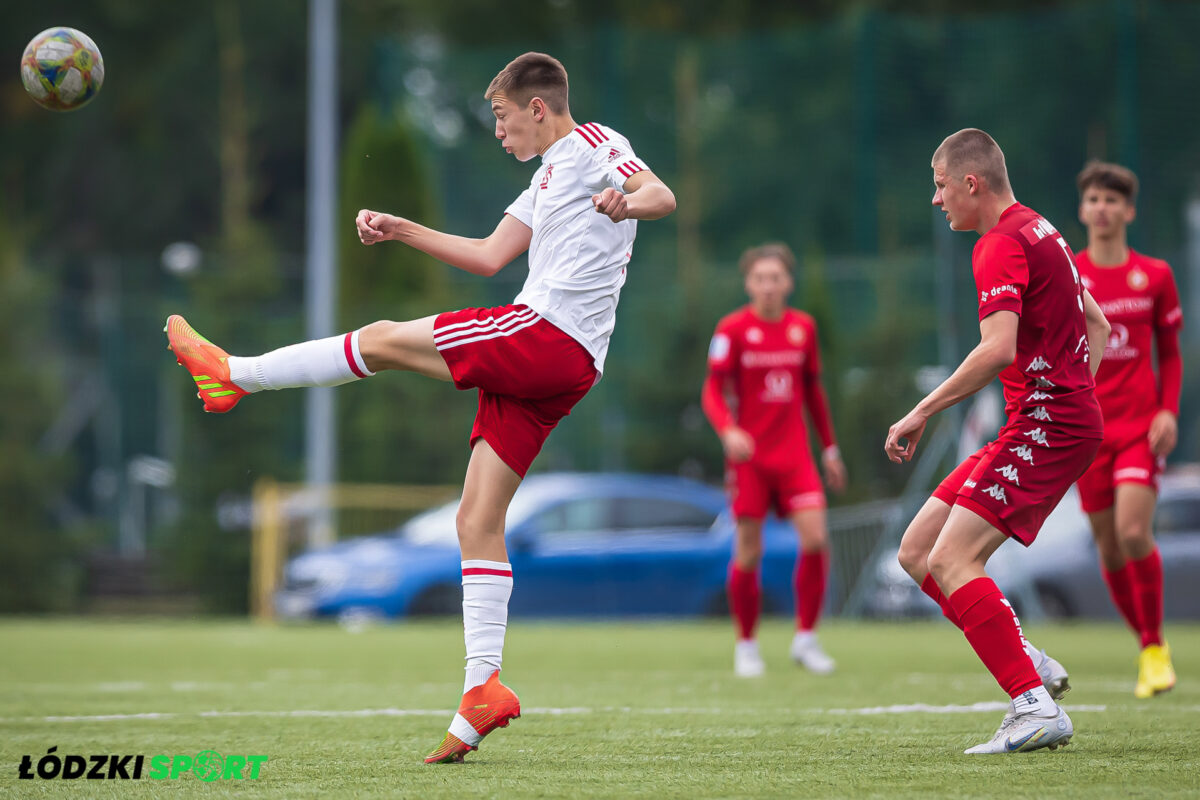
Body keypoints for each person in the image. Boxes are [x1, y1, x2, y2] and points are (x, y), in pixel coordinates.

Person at [164, 52, 676, 764]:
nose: (498, 133)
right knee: (476, 519)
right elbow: (491, 254)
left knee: (381, 340)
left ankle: (234, 376)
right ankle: (480, 695)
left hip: (545, 335)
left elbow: (661, 196)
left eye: (501, 118)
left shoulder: (594, 144)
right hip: (564, 363)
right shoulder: (546, 176)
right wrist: (402, 229)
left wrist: (629, 200)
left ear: (536, 108)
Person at [887, 128, 1110, 754]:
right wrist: (1073, 395)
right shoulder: (1045, 230)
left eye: (938, 186)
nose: (936, 201)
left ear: (970, 183)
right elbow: (1099, 322)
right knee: (917, 550)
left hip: (1045, 423)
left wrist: (921, 410)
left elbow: (998, 349)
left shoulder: (1000, 244)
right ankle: (1028, 661)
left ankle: (1032, 706)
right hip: (1044, 420)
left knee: (954, 561)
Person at [702, 243, 848, 678]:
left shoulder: (803, 328)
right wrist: (728, 430)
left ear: (788, 282)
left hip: (795, 456)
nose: (768, 286)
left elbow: (814, 394)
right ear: (749, 283)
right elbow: (712, 390)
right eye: (760, 278)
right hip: (750, 459)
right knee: (749, 552)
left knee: (817, 539)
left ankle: (806, 639)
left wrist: (830, 449)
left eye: (776, 278)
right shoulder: (731, 329)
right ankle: (746, 646)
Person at [1072, 161, 1183, 698]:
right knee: (1109, 549)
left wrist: (1168, 410)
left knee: (1135, 532)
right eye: (1094, 199)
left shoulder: (1155, 276)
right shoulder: (1068, 274)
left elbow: (1171, 353)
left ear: (1129, 211)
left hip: (1140, 426)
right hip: (1087, 431)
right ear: (1082, 209)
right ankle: (1145, 643)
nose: (1103, 208)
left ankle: (1155, 645)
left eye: (1113, 200)